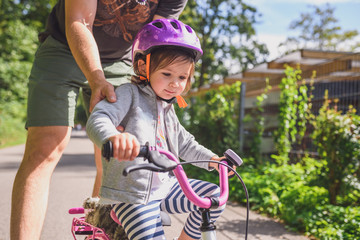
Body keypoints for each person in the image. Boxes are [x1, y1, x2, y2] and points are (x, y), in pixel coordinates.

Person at [10, 0, 188, 239]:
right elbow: (79, 20)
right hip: (65, 46)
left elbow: (157, 41)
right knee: (45, 149)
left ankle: (98, 230)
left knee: (117, 155)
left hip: (121, 60)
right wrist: (96, 79)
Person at [86, 18, 229, 240]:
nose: (175, 84)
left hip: (166, 188)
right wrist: (114, 137)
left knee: (214, 196)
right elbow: (99, 118)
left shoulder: (168, 108)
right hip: (131, 194)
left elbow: (186, 144)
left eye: (182, 77)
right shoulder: (128, 94)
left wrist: (212, 160)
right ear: (144, 66)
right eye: (167, 74)